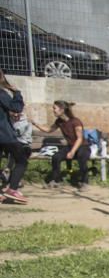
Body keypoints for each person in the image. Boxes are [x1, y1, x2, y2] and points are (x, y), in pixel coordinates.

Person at [32, 99, 90, 191]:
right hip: (70, 146)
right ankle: (56, 181)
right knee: (56, 157)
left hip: (82, 146)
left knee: (81, 156)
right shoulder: (59, 121)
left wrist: (72, 151)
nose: (53, 110)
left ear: (62, 109)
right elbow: (49, 130)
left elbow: (80, 139)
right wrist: (35, 124)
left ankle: (85, 182)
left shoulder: (76, 121)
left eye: (54, 108)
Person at [0, 69, 29, 202]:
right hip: (4, 134)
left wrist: (9, 113)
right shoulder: (1, 93)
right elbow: (16, 107)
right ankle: (12, 188)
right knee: (21, 159)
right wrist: (17, 93)